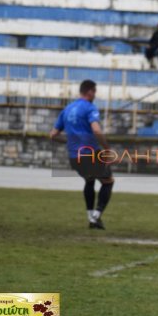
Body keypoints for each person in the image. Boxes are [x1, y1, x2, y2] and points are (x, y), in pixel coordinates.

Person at [50, 80, 114, 230]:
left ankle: (91, 216)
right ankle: (96, 217)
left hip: (74, 157)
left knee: (90, 181)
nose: (95, 95)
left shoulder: (67, 109)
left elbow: (53, 135)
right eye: (95, 91)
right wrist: (106, 148)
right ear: (90, 91)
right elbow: (97, 130)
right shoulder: (90, 108)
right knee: (108, 181)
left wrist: (69, 142)